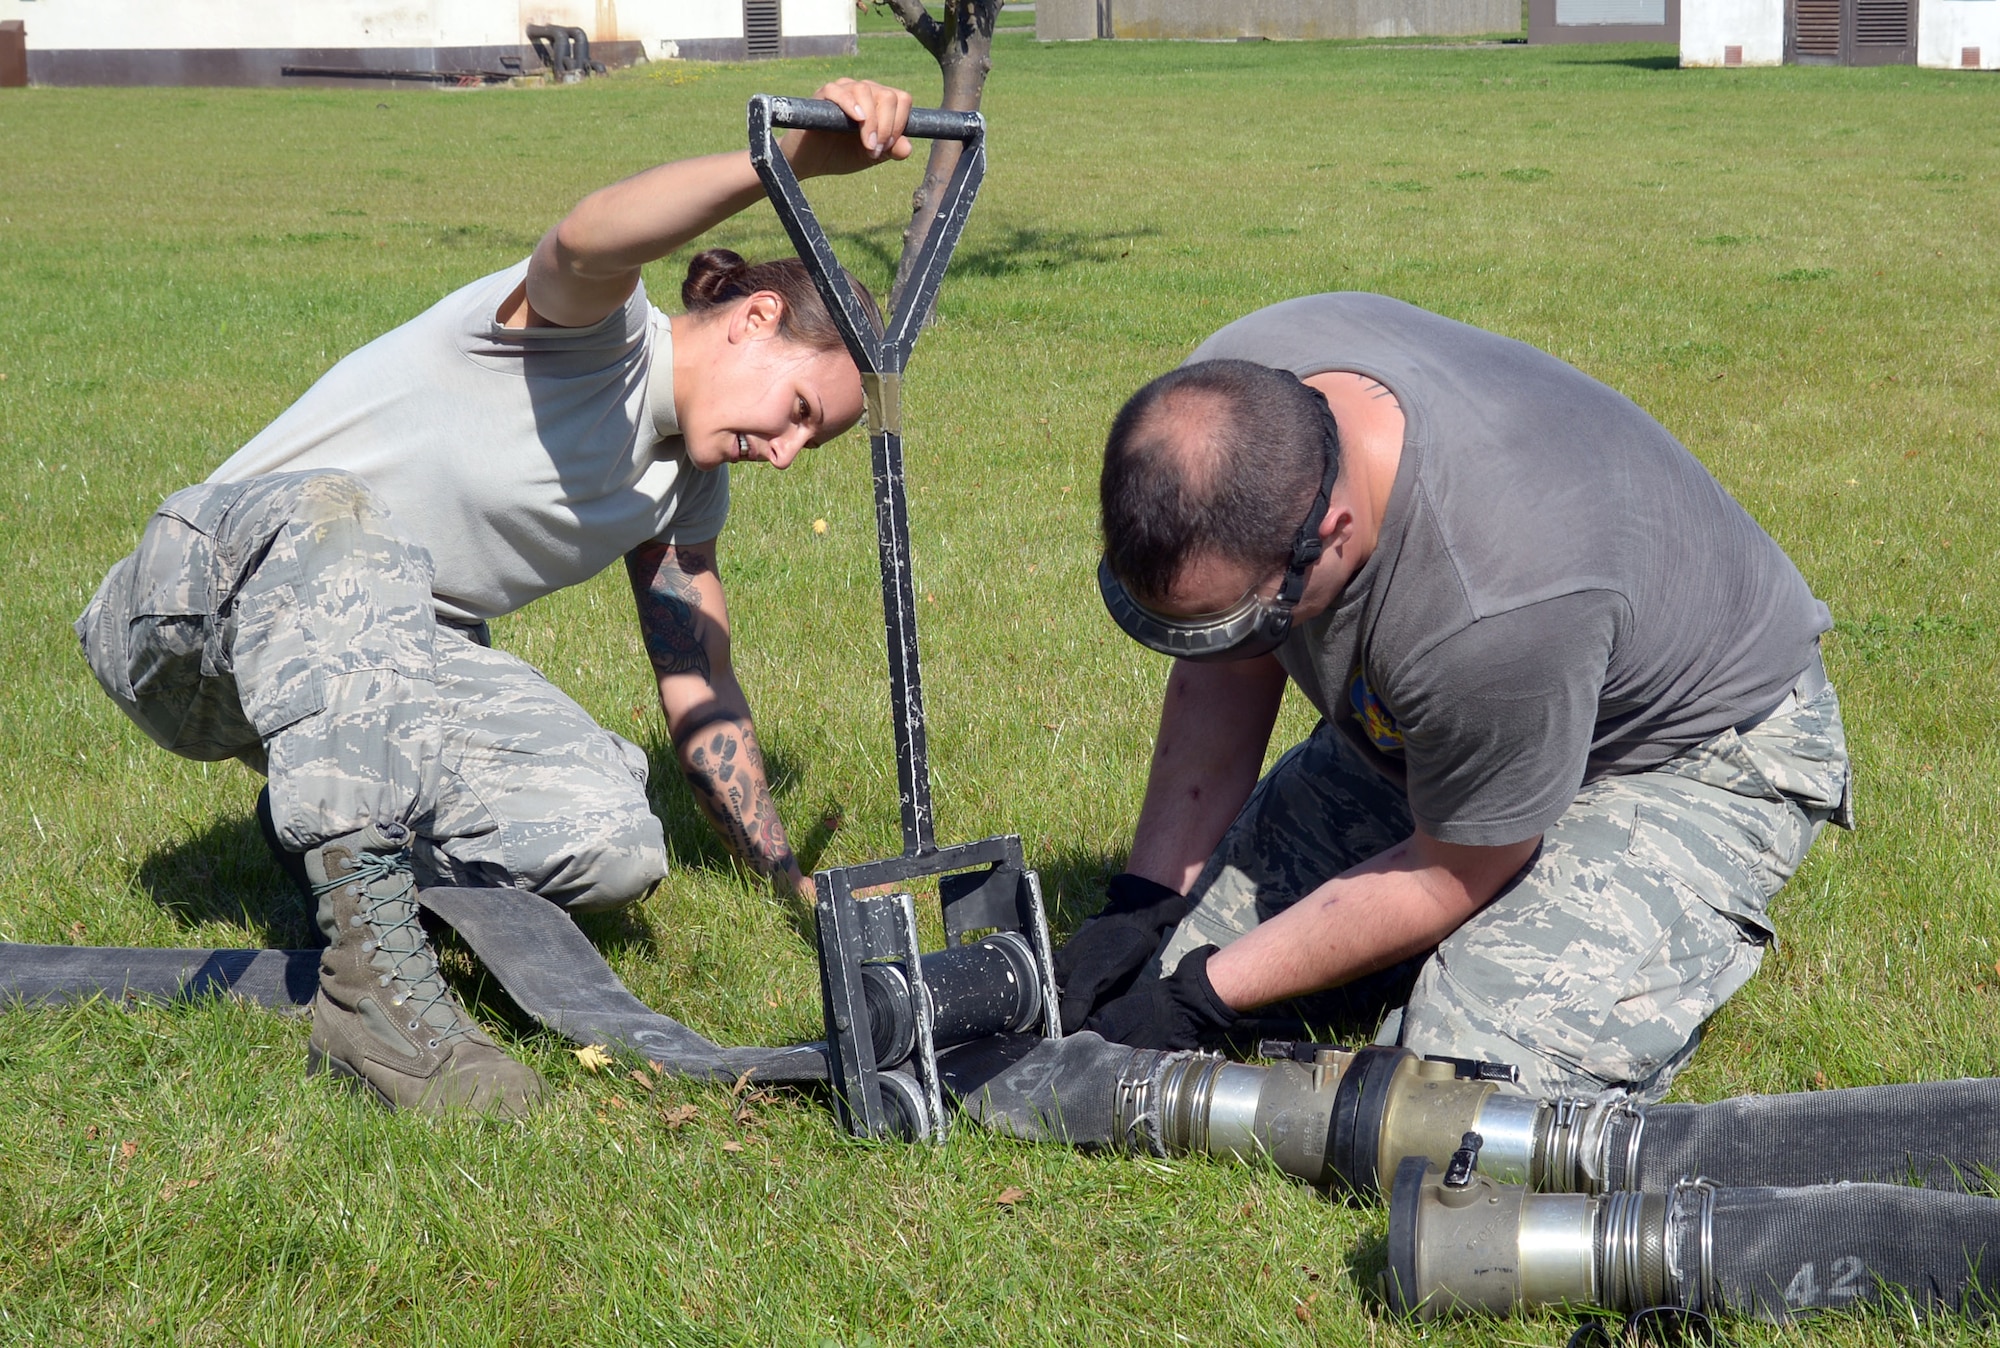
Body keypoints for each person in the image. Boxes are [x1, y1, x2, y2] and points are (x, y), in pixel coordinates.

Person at [75, 79, 918, 1118]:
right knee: (355, 522)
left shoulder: (685, 485)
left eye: (810, 441)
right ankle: (375, 1001)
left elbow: (699, 680)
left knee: (610, 837)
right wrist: (780, 163)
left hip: (360, 670)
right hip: (196, 607)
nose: (787, 452)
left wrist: (789, 877)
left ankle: (332, 850)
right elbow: (582, 238)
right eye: (797, 410)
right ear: (752, 318)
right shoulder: (596, 337)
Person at [1061, 294, 1853, 1101]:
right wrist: (1143, 904)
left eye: (1248, 614)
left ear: (1329, 531)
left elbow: (1456, 869)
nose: (1231, 636)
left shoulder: (1495, 602)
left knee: (1446, 1090)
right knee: (1162, 969)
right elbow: (1227, 660)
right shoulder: (1218, 413)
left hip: (1685, 755)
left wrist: (1204, 996)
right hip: (1453, 722)